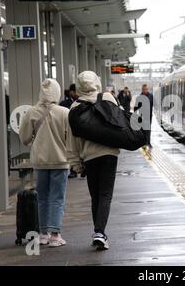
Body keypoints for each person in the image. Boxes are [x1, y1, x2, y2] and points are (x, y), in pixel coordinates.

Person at [67, 71, 120, 251]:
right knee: (105, 195)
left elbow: (72, 140)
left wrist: (75, 164)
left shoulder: (75, 107)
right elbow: (118, 122)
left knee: (95, 196)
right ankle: (99, 232)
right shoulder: (107, 98)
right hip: (109, 154)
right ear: (97, 82)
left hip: (89, 156)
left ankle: (98, 232)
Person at [19, 79, 69, 248]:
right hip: (60, 161)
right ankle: (55, 235)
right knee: (57, 198)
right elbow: (70, 138)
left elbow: (24, 138)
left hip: (40, 162)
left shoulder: (32, 112)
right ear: (57, 92)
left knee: (42, 198)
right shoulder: (64, 113)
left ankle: (42, 234)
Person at [134, 84, 154, 148]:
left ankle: (148, 143)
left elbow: (154, 104)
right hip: (142, 115)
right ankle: (145, 142)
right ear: (142, 90)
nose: (145, 90)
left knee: (148, 130)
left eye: (146, 89)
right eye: (144, 89)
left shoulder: (151, 96)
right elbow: (136, 106)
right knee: (144, 130)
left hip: (149, 115)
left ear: (147, 89)